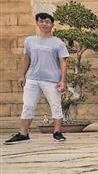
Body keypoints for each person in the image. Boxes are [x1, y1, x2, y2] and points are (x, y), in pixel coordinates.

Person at [5, 13, 69, 145]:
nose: (44, 24)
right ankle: (23, 134)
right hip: (32, 78)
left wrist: (63, 80)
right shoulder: (29, 41)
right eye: (41, 21)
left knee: (55, 105)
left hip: (51, 80)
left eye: (47, 22)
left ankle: (57, 132)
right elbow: (26, 58)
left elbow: (63, 62)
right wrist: (21, 75)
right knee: (28, 105)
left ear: (52, 25)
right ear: (37, 23)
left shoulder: (58, 43)